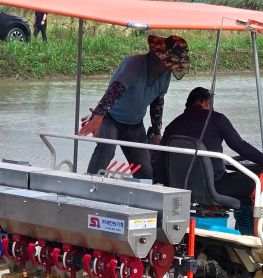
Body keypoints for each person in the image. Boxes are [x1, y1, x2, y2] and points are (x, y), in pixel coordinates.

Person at [79, 35, 190, 180]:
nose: (170, 68)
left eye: (173, 66)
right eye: (169, 64)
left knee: (145, 170)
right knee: (106, 148)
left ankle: (144, 192)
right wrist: (98, 116)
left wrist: (157, 133)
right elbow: (115, 90)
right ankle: (88, 183)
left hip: (135, 125)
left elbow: (157, 102)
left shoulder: (165, 75)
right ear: (159, 57)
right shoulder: (133, 65)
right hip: (110, 118)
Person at [154, 87, 263, 203]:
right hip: (214, 186)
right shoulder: (216, 118)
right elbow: (240, 146)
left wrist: (167, 185)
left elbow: (159, 162)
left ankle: (212, 213)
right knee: (261, 183)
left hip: (180, 186)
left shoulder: (172, 126)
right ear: (206, 102)